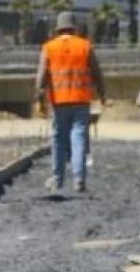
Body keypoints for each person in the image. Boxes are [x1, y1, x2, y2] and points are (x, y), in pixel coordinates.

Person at [34, 12, 106, 193]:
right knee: (79, 137)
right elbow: (97, 72)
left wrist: (39, 99)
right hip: (81, 99)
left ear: (58, 28)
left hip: (59, 101)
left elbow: (41, 76)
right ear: (74, 28)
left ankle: (57, 179)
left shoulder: (49, 48)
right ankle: (79, 179)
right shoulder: (85, 46)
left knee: (58, 139)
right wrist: (102, 93)